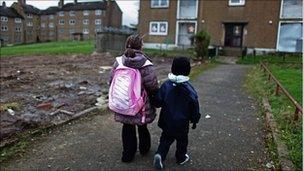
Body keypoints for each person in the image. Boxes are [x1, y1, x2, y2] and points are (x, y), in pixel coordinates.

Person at [109, 35, 158, 163]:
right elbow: (152, 85)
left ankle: (127, 155)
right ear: (140, 46)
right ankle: (144, 149)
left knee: (127, 127)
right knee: (142, 126)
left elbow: (111, 81)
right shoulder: (146, 64)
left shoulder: (118, 61)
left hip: (123, 102)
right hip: (140, 105)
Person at [153, 57, 201, 169]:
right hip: (182, 123)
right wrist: (195, 119)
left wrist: (154, 100)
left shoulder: (166, 85)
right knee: (182, 140)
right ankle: (181, 157)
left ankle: (160, 154)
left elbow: (158, 101)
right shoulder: (189, 89)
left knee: (165, 139)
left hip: (167, 121)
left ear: (172, 68)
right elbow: (195, 106)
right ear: (187, 71)